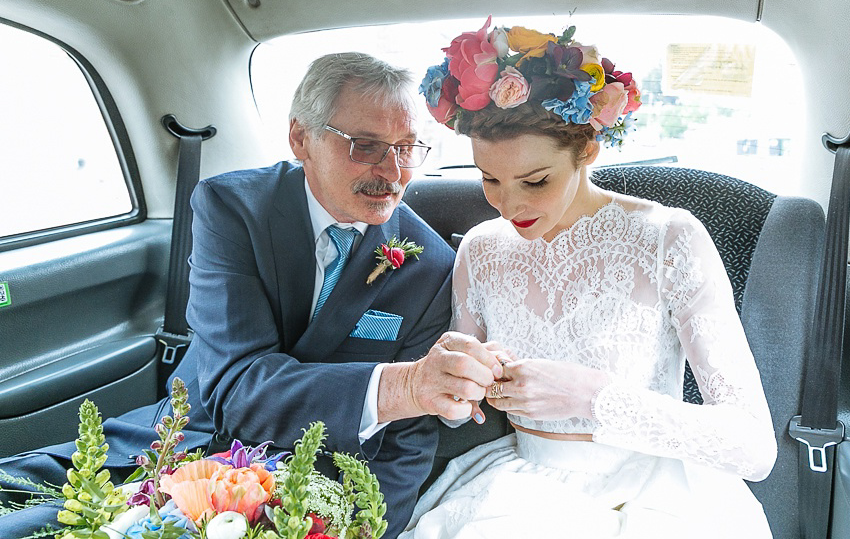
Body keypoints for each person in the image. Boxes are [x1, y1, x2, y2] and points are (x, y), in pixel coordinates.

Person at [0, 52, 503, 539]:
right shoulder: (232, 208)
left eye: (408, 147)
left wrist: (369, 527)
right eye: (365, 146)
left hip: (315, 485)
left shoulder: (431, 264)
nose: (393, 173)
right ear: (301, 138)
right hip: (185, 438)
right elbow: (234, 389)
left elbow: (408, 442)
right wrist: (405, 385)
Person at [401, 19, 778, 538]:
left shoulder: (670, 238)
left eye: (535, 180)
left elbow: (753, 448)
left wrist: (594, 398)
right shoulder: (481, 249)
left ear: (587, 152)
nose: (509, 204)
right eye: (489, 179)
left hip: (661, 493)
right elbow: (454, 416)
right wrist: (455, 378)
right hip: (520, 491)